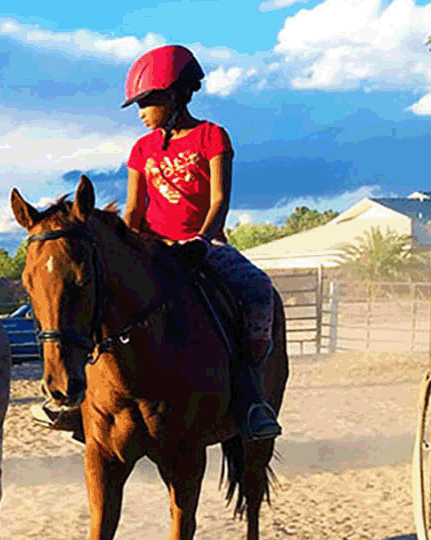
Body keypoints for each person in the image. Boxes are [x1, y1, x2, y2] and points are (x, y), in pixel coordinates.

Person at [37, 44, 281, 442]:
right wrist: (127, 247)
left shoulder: (212, 137)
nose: (140, 113)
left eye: (146, 102)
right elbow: (134, 210)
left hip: (202, 244)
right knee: (98, 295)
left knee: (257, 289)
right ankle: (81, 404)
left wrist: (203, 241)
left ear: (174, 96)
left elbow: (219, 199)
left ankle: (252, 398)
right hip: (150, 247)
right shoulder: (142, 149)